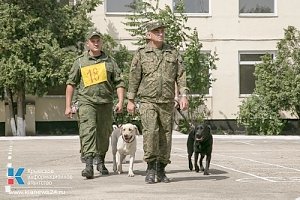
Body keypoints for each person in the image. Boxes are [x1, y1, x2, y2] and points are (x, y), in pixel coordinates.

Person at [127, 21, 189, 184]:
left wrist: (183, 95)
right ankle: (150, 168)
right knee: (150, 133)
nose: (161, 33)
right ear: (149, 35)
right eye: (156, 31)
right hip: (148, 100)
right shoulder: (141, 53)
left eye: (162, 30)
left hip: (167, 101)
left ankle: (161, 169)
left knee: (165, 135)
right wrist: (131, 100)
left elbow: (181, 75)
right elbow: (134, 77)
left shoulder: (172, 52)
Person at [65, 30, 125, 179]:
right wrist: (68, 105)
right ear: (88, 44)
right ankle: (88, 165)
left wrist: (121, 101)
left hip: (105, 103)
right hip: (87, 102)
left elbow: (119, 82)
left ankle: (101, 161)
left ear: (101, 42)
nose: (96, 43)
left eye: (98, 40)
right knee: (88, 131)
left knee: (103, 133)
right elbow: (71, 84)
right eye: (93, 41)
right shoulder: (80, 61)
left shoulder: (110, 61)